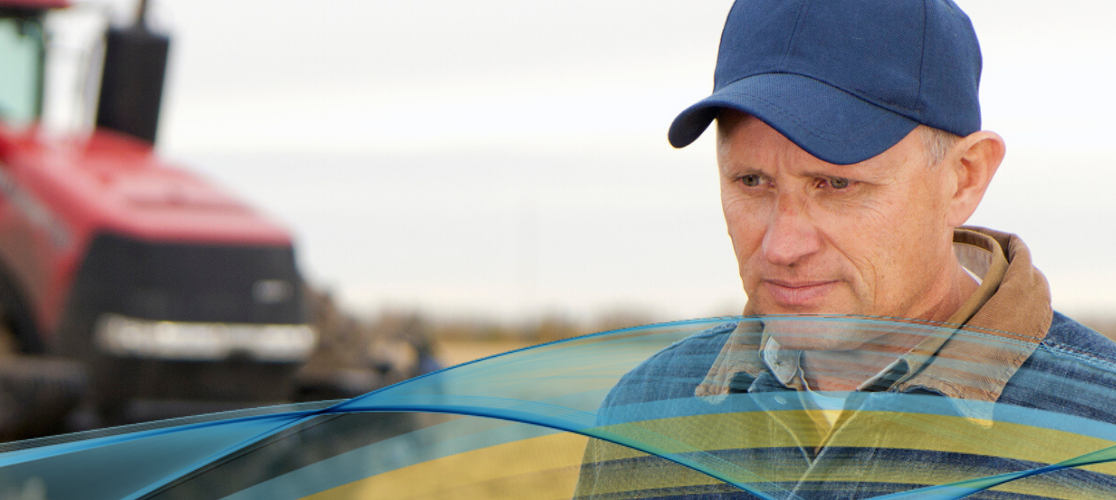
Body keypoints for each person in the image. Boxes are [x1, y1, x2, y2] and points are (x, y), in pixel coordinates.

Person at [574, 0, 1116, 498]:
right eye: (751, 182)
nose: (782, 246)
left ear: (963, 178)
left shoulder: (1101, 432)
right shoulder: (643, 415)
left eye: (836, 186)